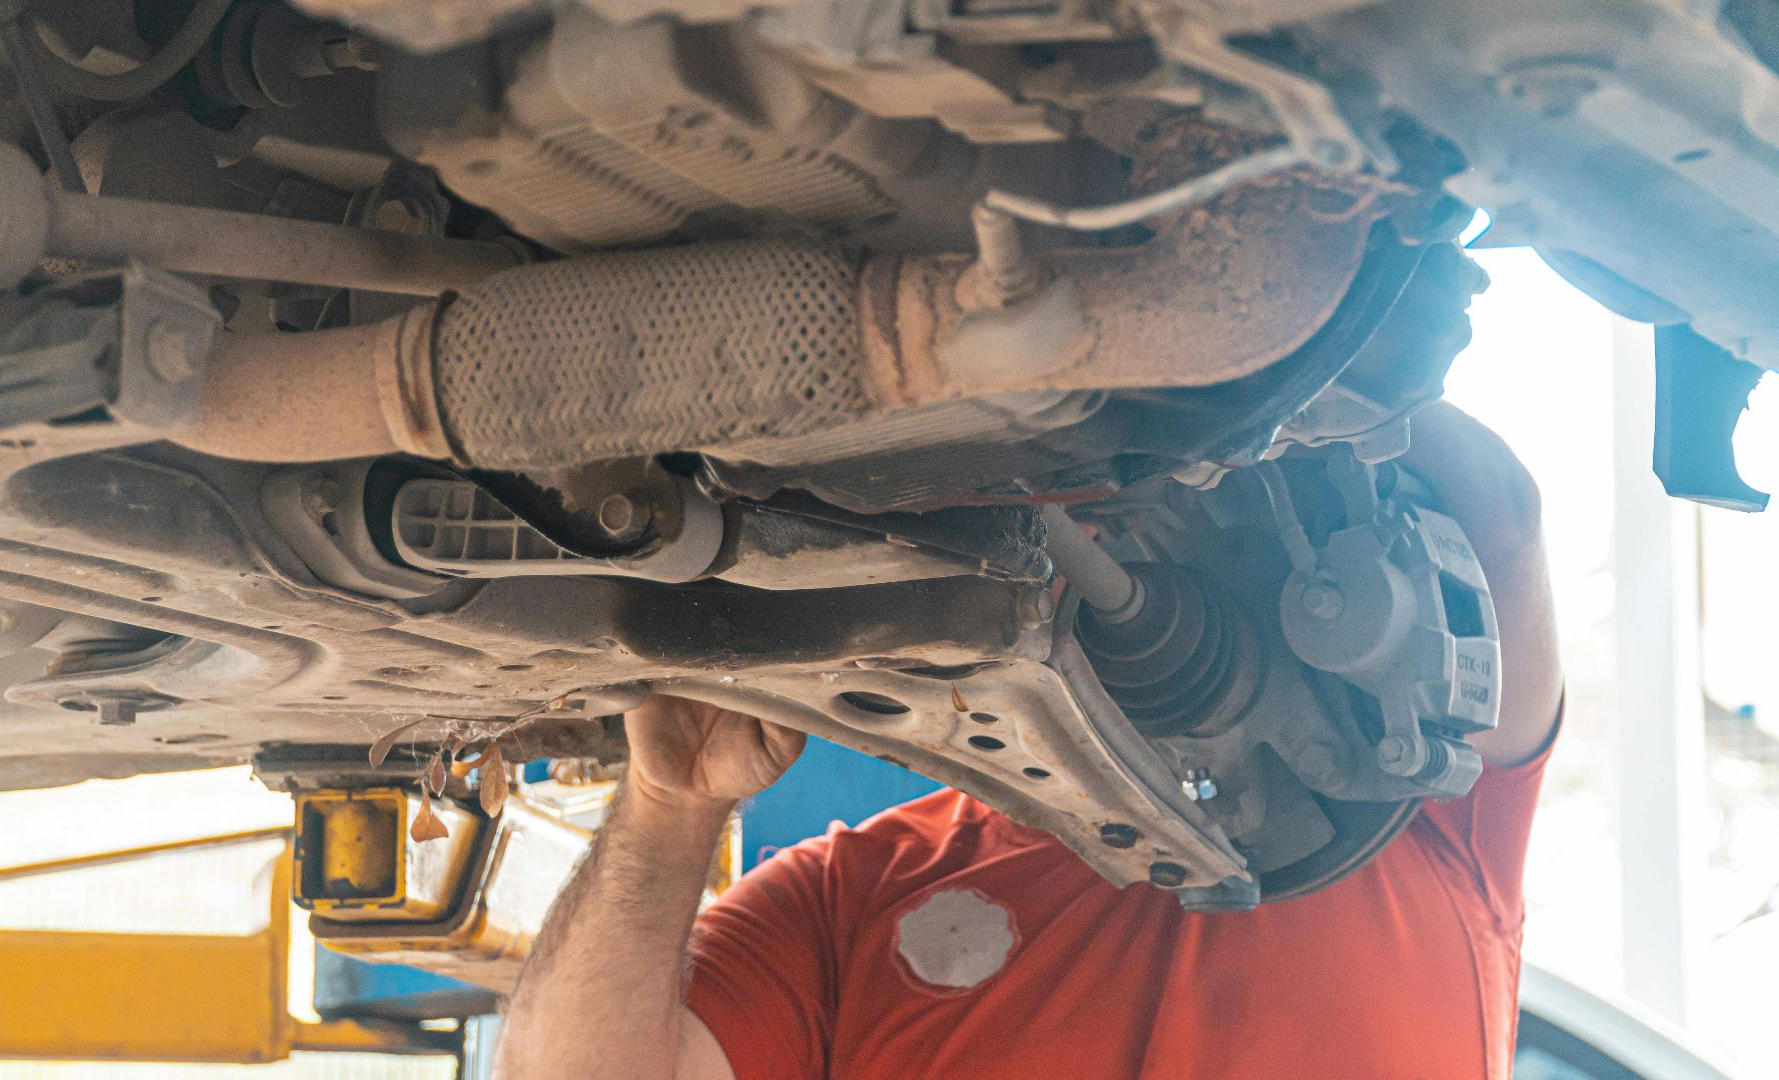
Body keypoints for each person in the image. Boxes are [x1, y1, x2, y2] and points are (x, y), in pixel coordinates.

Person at [493, 402, 1563, 1080]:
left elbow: (1500, 514)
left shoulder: (1416, 806)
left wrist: (1257, 391)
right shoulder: (854, 900)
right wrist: (668, 807)